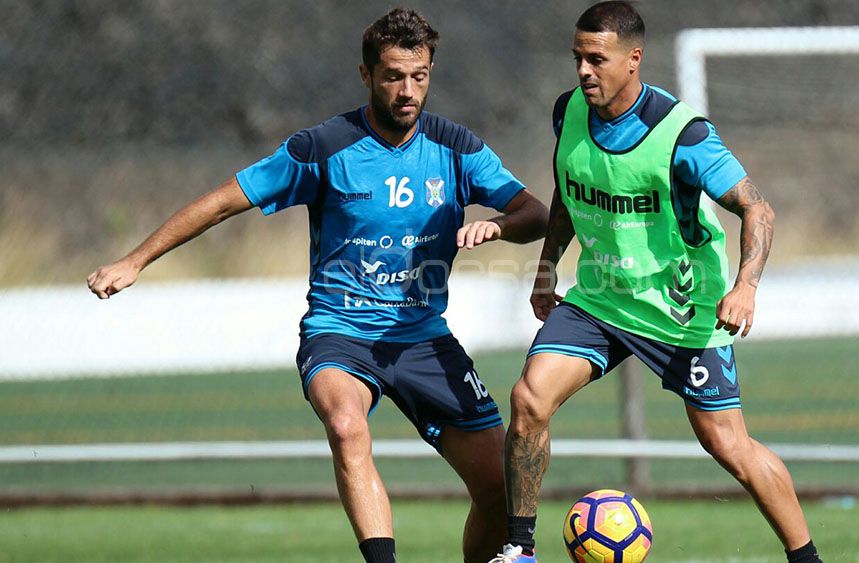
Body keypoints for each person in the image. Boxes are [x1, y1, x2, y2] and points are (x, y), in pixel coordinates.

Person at [87, 9, 548, 563]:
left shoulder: (455, 147)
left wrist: (496, 225)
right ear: (366, 74)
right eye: (393, 76)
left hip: (423, 338)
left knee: (499, 489)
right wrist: (135, 259)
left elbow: (535, 213)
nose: (407, 90)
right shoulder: (323, 147)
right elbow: (221, 203)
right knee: (347, 426)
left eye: (419, 76)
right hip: (340, 333)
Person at [491, 2, 822, 563]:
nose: (583, 71)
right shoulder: (567, 113)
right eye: (577, 58)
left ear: (634, 59)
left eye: (597, 59)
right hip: (599, 300)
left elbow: (757, 209)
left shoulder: (683, 134)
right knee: (528, 399)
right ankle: (519, 549)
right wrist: (547, 271)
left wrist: (745, 288)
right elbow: (569, 194)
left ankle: (806, 558)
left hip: (682, 311)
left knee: (727, 445)